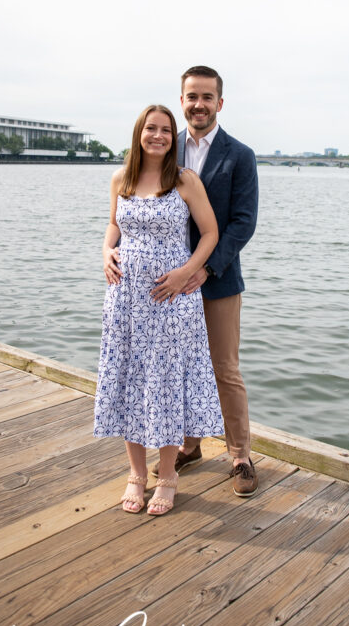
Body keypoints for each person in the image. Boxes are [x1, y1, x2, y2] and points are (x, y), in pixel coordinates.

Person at [94, 104, 223, 516]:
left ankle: (167, 475)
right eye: (151, 129)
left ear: (173, 137)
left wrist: (186, 272)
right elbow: (115, 226)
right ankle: (136, 474)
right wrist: (104, 251)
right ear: (139, 133)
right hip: (126, 299)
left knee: (166, 383)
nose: (158, 136)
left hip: (170, 299)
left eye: (166, 130)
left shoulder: (184, 180)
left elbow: (210, 232)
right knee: (130, 378)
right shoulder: (121, 178)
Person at [150, 65, 259, 496]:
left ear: (220, 102)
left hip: (216, 281)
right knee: (179, 368)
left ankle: (240, 455)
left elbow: (242, 224)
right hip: (168, 283)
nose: (198, 104)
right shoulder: (162, 149)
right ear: (182, 101)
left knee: (224, 370)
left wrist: (204, 269)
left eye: (207, 97)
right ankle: (190, 445)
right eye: (191, 96)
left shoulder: (240, 155)